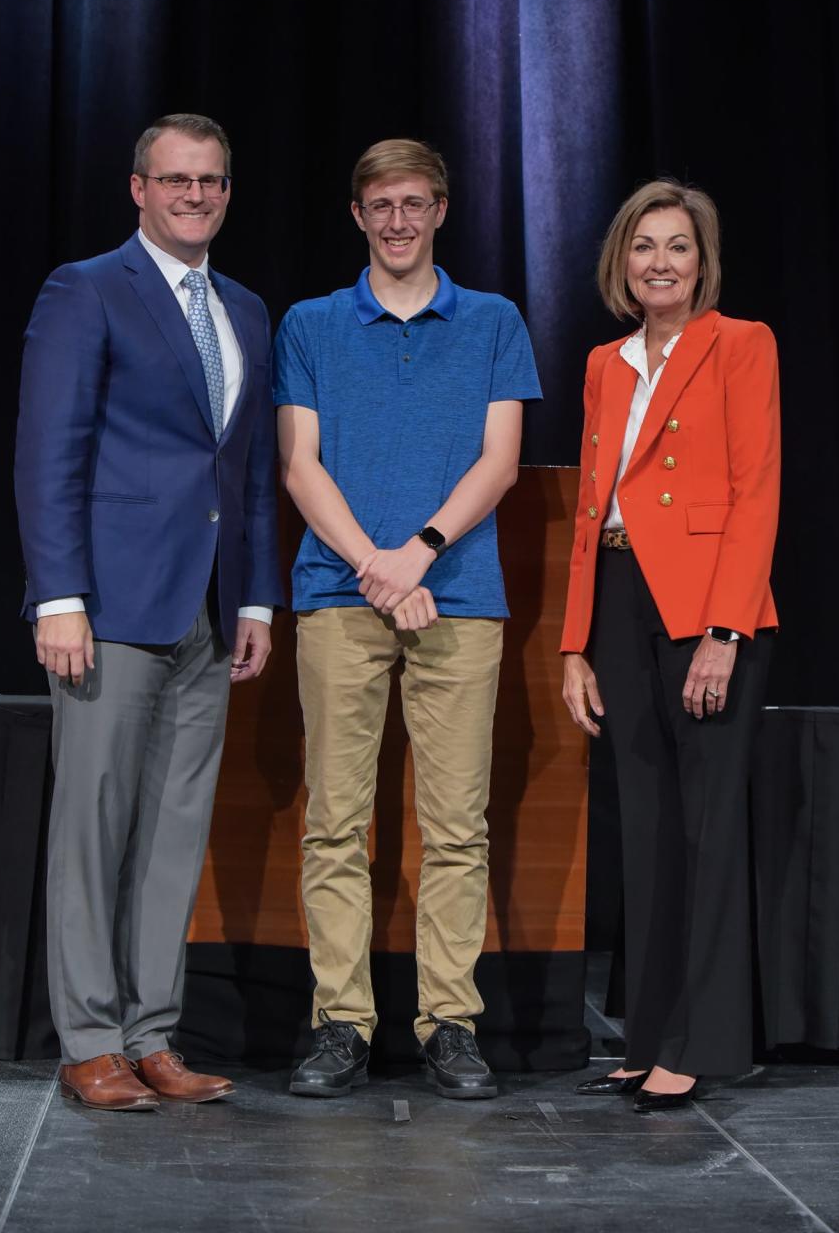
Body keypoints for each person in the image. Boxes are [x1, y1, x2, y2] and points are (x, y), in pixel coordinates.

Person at [14, 113, 282, 1110]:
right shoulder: (86, 291)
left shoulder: (246, 309)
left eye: (210, 181)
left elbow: (245, 468)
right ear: (139, 189)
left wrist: (255, 595)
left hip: (208, 609)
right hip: (109, 607)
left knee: (174, 834)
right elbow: (50, 453)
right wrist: (59, 596)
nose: (194, 196)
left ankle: (150, 1034)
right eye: (175, 180)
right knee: (93, 827)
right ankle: (88, 1039)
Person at [273, 138, 542, 1099]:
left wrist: (416, 554)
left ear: (441, 212)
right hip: (337, 596)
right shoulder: (309, 323)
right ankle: (340, 1021)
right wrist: (373, 569)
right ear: (358, 214)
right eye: (381, 204)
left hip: (458, 599)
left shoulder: (495, 320)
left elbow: (501, 461)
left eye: (415, 204)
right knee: (335, 825)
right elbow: (301, 466)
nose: (398, 221)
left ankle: (450, 1022)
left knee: (455, 825)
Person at [561, 180, 780, 1111]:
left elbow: (755, 489)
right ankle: (647, 1037)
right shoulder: (605, 362)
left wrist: (725, 631)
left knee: (705, 827)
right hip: (617, 596)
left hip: (706, 606)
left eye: (678, 247)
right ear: (622, 262)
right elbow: (586, 508)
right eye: (644, 246)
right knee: (644, 829)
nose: (660, 262)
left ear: (703, 261)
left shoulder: (742, 343)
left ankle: (703, 1041)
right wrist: (574, 643)